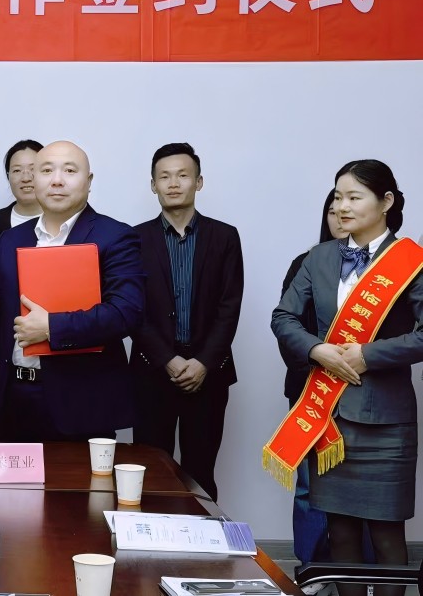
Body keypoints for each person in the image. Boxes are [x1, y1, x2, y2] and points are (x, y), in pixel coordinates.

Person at [272, 160, 423, 596]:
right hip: (330, 419)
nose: (342, 206)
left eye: (354, 197)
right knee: (339, 532)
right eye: (338, 197)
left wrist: (368, 356)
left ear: (386, 202)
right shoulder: (318, 257)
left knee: (387, 535)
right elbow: (283, 316)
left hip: (386, 422)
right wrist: (316, 349)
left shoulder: (411, 261)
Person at [0, 140, 145, 441]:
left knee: (77, 475)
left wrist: (51, 327)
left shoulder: (115, 236)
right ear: (34, 179)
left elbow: (126, 312)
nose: (57, 180)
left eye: (69, 170)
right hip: (14, 397)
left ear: (89, 181)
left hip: (80, 403)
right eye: (46, 170)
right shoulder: (11, 239)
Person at [130, 143, 243, 502]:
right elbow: (133, 308)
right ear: (153, 185)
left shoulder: (225, 236)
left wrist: (203, 362)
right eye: (164, 177)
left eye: (182, 175)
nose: (174, 183)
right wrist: (167, 359)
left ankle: (204, 538)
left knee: (201, 473)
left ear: (199, 182)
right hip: (152, 371)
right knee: (149, 473)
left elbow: (229, 305)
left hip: (208, 374)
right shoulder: (134, 239)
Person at [276, 192, 342, 566]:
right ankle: (312, 568)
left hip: (362, 390)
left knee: (360, 488)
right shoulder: (306, 263)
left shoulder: (384, 271)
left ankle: (360, 572)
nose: (340, 216)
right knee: (308, 485)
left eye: (348, 207)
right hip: (310, 391)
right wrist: (317, 366)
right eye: (332, 211)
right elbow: (287, 326)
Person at [0, 140, 43, 266]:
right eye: (17, 170)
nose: (26, 178)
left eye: (33, 169)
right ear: (8, 176)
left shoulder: (66, 222)